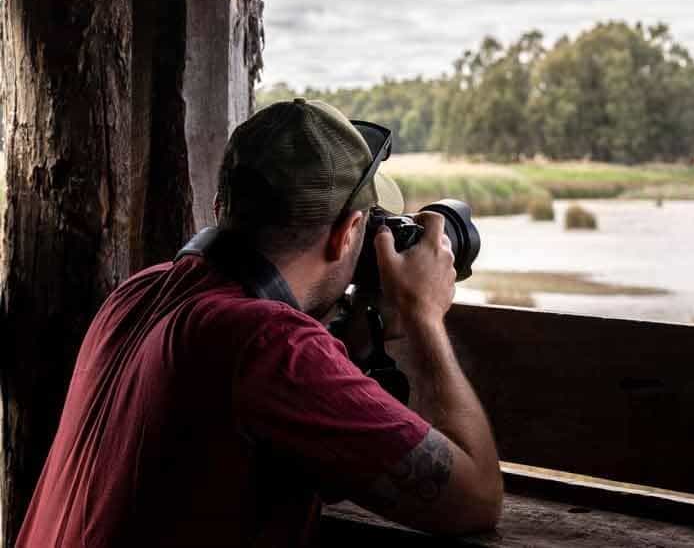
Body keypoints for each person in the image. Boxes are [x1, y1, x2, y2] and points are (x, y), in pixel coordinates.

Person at [16, 99, 503, 547]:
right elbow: (476, 498)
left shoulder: (140, 293)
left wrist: (358, 333)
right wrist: (423, 315)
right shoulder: (270, 347)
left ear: (220, 208)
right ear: (348, 233)